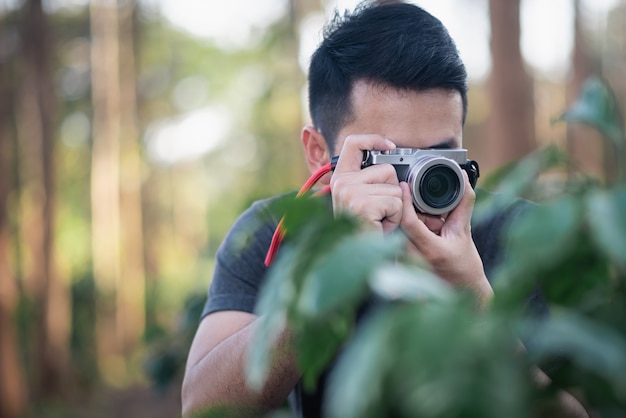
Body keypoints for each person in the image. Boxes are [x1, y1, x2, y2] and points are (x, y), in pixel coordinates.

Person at [181, 2, 586, 417]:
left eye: (439, 159)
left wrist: (476, 297)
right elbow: (201, 405)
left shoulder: (523, 232)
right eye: (389, 161)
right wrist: (328, 282)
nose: (418, 184)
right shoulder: (277, 231)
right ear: (320, 153)